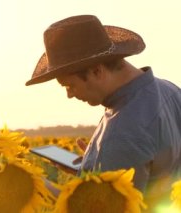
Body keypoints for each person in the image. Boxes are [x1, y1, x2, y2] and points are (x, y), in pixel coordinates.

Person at [26, 14, 181, 210]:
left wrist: (34, 186)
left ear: (97, 71)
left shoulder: (122, 130)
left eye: (70, 85)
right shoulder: (170, 90)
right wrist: (92, 167)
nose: (69, 95)